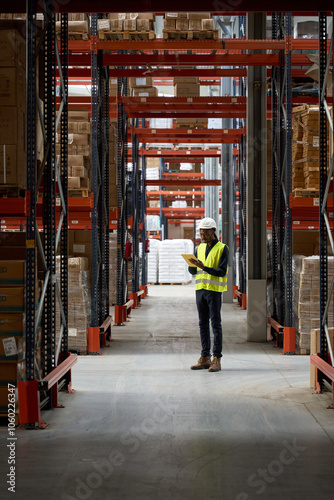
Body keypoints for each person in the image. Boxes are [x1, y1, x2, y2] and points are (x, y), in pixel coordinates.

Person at [188, 217, 229, 373]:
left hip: (214, 291)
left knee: (215, 324)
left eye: (205, 233)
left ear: (213, 232)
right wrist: (191, 266)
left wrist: (204, 267)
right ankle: (205, 357)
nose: (202, 236)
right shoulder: (199, 248)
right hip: (200, 290)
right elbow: (193, 270)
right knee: (202, 324)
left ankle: (216, 358)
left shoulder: (222, 248)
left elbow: (221, 271)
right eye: (201, 233)